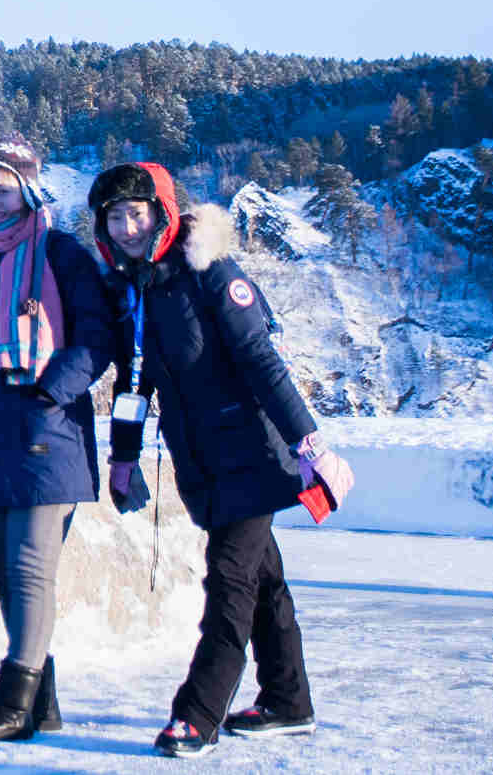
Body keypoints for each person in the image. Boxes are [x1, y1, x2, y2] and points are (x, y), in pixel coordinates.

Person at [88, 163, 354, 759]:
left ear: (161, 211)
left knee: (230, 585)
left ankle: (197, 715)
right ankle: (289, 702)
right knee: (265, 583)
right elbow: (134, 385)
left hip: (253, 459)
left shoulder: (210, 274)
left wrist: (309, 443)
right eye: (115, 217)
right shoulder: (134, 292)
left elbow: (263, 362)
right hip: (202, 466)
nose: (128, 227)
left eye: (137, 213)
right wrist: (124, 459)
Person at [0, 139, 112, 743]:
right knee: (10, 577)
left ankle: (12, 703)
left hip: (45, 435)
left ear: (29, 190)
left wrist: (49, 393)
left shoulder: (61, 253)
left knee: (31, 570)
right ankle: (43, 703)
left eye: (3, 188)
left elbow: (96, 338)